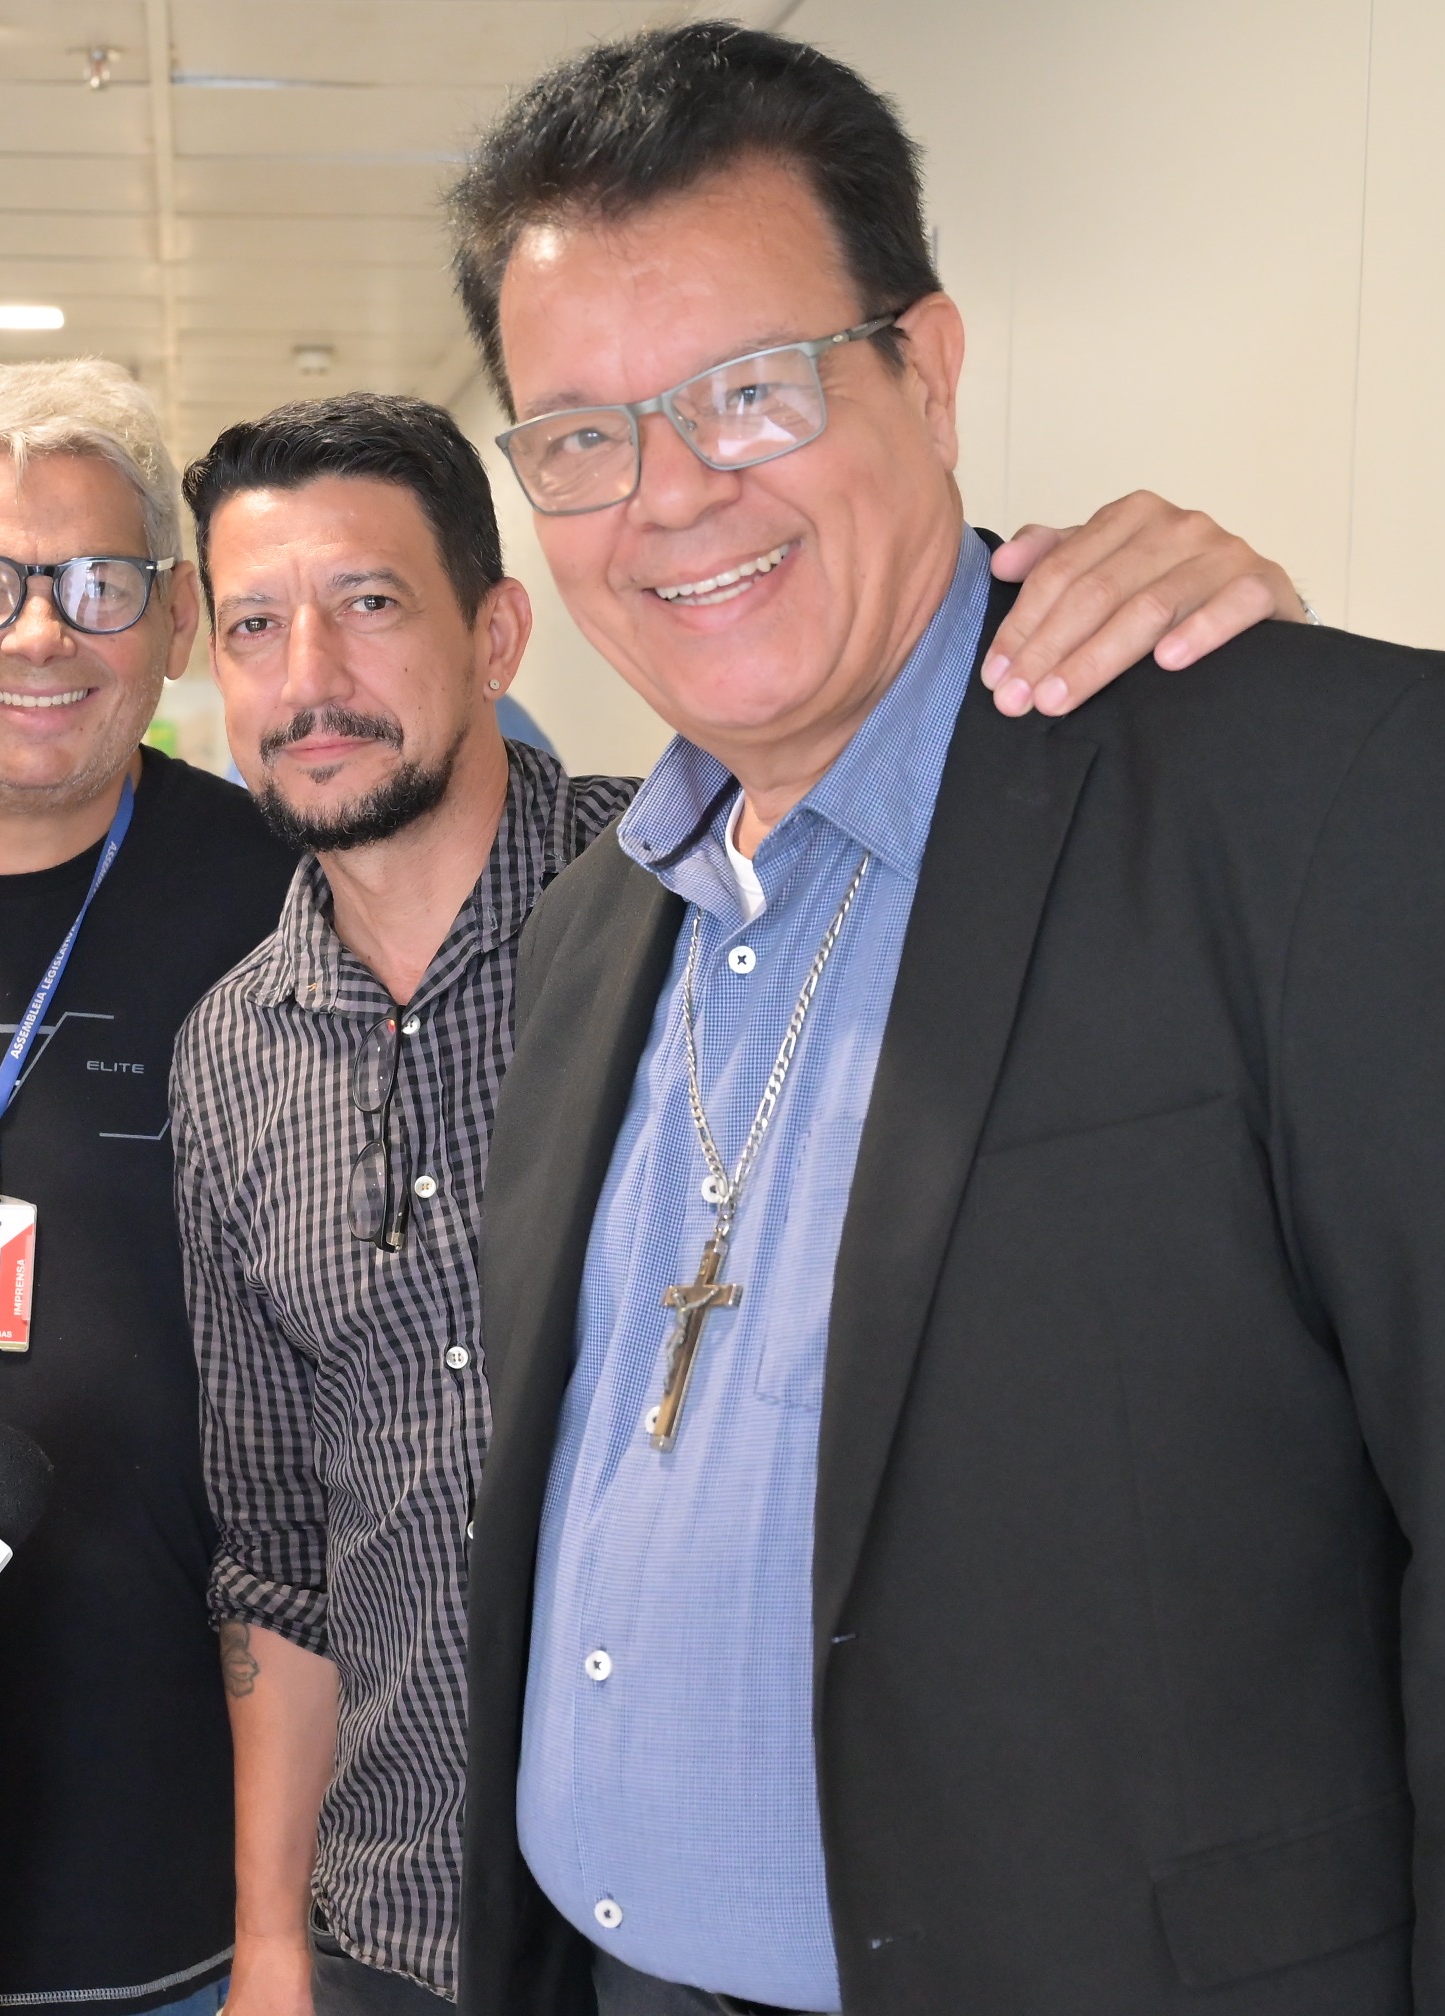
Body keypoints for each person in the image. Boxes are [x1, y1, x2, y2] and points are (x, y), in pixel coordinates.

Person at [451, 24, 1445, 2016]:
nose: (669, 496)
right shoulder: (598, 926)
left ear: (930, 370)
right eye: (581, 437)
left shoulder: (1307, 791)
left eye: (750, 390)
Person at [169, 394, 1308, 2016]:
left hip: (752, 1929)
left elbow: (976, 775)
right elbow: (280, 1554)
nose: (309, 678)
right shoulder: (228, 1054)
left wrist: (1184, 609)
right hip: (403, 1927)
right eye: (254, 626)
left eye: (369, 602)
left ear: (496, 634)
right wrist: (275, 1948)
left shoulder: (704, 895)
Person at [0, 358, 301, 2016]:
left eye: (99, 583)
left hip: (166, 1847)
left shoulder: (283, 893)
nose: (39, 635)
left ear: (176, 622)